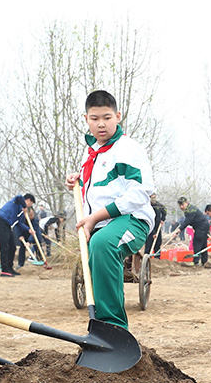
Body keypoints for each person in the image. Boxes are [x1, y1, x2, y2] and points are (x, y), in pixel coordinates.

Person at [64, 90, 154, 329]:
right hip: (103, 223)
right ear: (86, 119)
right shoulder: (91, 152)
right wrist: (79, 181)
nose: (101, 124)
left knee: (103, 244)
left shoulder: (128, 149)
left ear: (118, 116)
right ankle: (101, 327)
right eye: (94, 119)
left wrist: (94, 218)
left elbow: (139, 192)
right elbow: (101, 189)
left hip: (132, 219)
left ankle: (113, 329)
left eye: (107, 117)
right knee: (97, 246)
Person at [0, 194, 35, 276]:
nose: (29, 206)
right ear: (28, 200)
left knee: (12, 247)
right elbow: (19, 196)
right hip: (1, 221)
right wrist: (24, 206)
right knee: (5, 247)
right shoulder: (16, 202)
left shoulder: (20, 211)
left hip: (7, 225)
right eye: (31, 204)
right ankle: (4, 270)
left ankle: (9, 268)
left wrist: (29, 229)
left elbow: (19, 223)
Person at [178, 197, 210, 265]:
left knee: (197, 242)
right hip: (201, 226)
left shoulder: (191, 210)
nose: (181, 206)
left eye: (182, 204)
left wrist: (179, 229)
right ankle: (204, 261)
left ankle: (196, 261)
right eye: (180, 205)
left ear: (186, 203)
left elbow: (187, 221)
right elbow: (187, 221)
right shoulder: (188, 209)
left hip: (202, 226)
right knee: (203, 244)